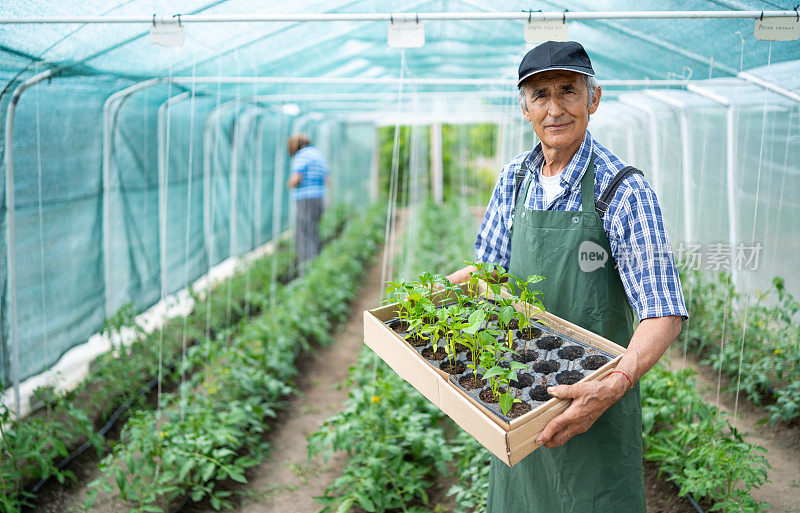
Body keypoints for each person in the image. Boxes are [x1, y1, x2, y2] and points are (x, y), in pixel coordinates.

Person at [446, 41, 688, 512]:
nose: (554, 108)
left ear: (592, 100)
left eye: (567, 91)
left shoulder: (623, 190)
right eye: (539, 95)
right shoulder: (513, 177)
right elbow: (490, 271)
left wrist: (616, 382)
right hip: (516, 400)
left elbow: (663, 311)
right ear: (524, 108)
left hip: (591, 401)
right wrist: (432, 299)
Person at [286, 133, 329, 275]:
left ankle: (307, 271)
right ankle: (317, 265)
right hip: (319, 197)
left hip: (305, 199)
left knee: (303, 235)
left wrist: (289, 184)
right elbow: (327, 180)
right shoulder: (318, 155)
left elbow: (296, 178)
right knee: (313, 231)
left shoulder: (302, 155)